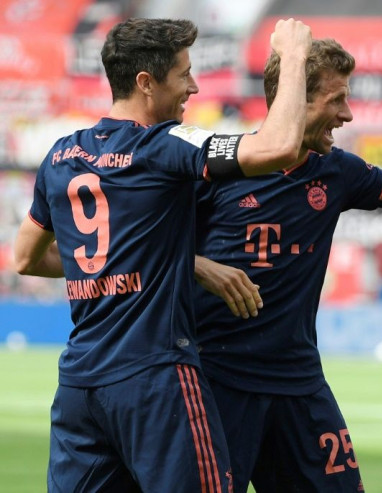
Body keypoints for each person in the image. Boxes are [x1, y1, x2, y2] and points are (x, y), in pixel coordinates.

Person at [192, 38, 382, 491]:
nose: (348, 114)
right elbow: (141, 243)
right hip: (217, 380)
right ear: (294, 100)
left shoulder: (336, 171)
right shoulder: (217, 163)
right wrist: (200, 265)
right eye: (336, 99)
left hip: (299, 381)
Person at [13, 17, 312, 492]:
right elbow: (277, 147)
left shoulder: (60, 155)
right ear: (146, 83)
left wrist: (176, 262)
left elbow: (26, 257)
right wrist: (295, 56)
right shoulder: (164, 144)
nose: (193, 87)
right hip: (156, 382)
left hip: (80, 386)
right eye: (184, 74)